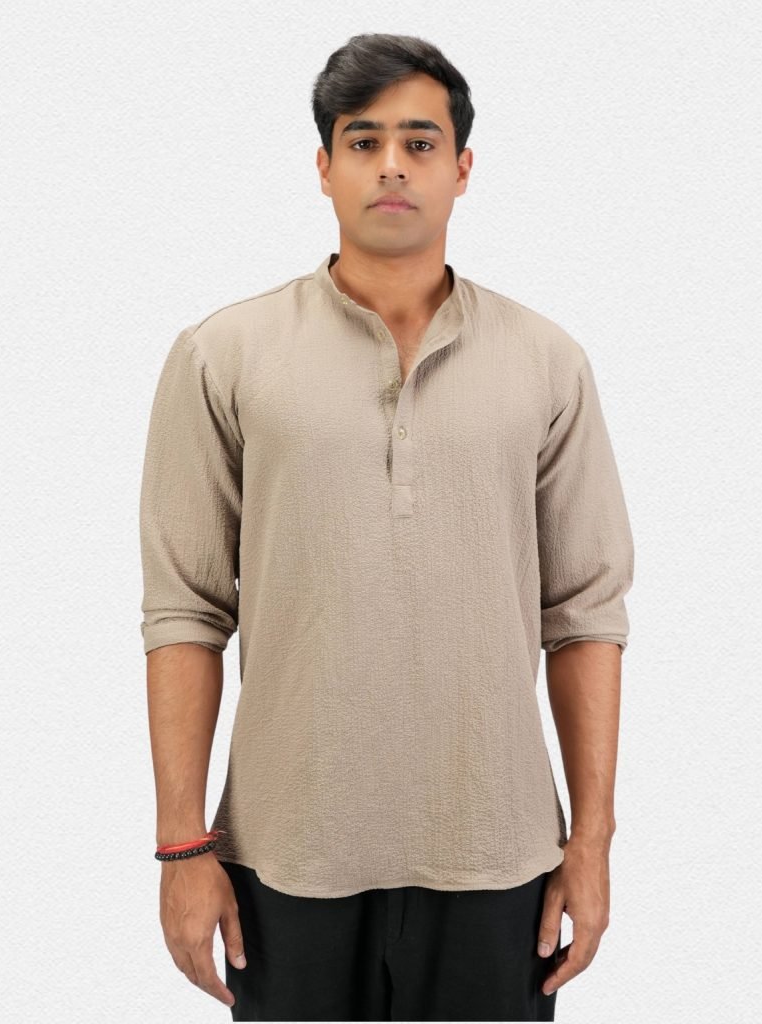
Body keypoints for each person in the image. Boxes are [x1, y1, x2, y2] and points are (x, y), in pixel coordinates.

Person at [139, 32, 634, 1023]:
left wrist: (590, 841)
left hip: (500, 855)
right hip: (284, 856)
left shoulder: (545, 361)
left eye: (419, 141)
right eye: (363, 142)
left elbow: (584, 613)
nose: (392, 166)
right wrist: (182, 845)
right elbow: (184, 611)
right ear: (324, 167)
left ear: (462, 168)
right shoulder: (223, 354)